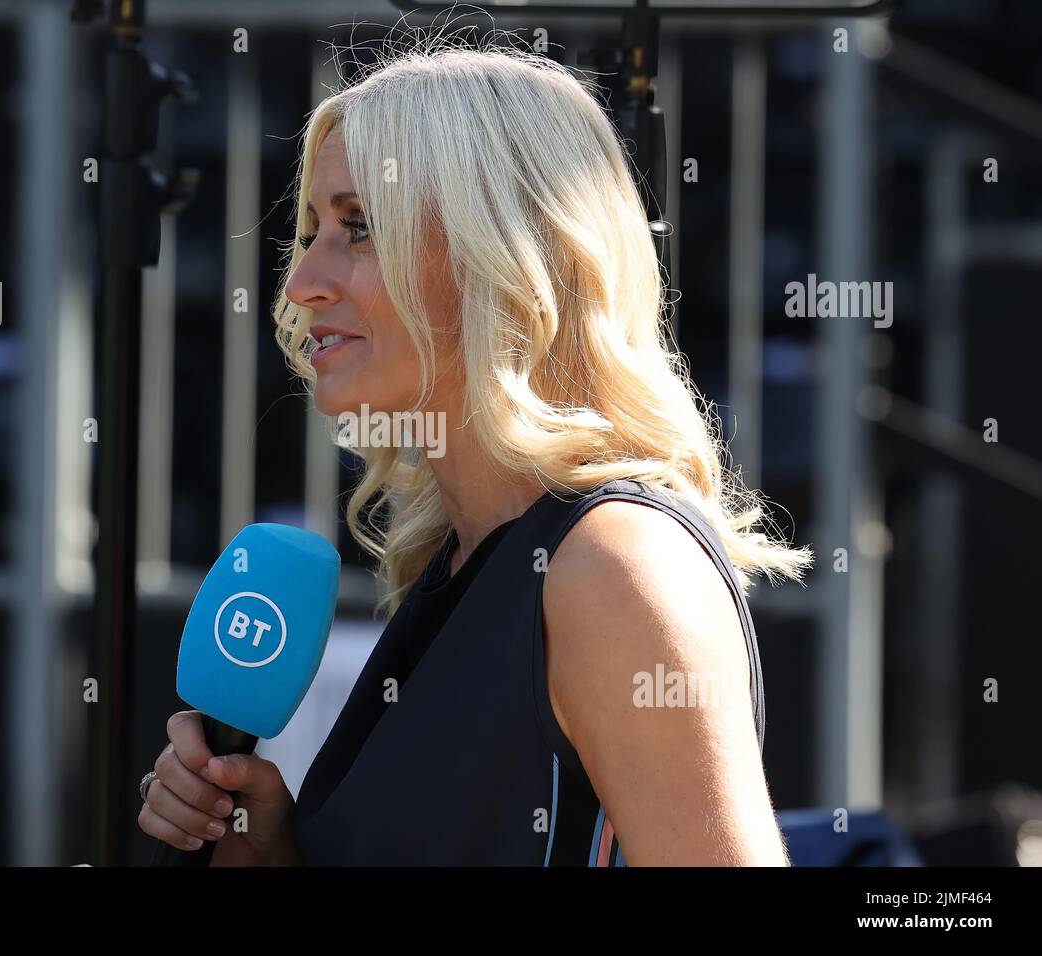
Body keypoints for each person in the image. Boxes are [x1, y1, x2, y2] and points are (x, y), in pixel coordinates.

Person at [138, 35, 811, 866]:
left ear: (503, 256)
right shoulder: (466, 561)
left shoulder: (615, 568)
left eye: (361, 228)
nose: (303, 279)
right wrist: (270, 850)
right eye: (312, 229)